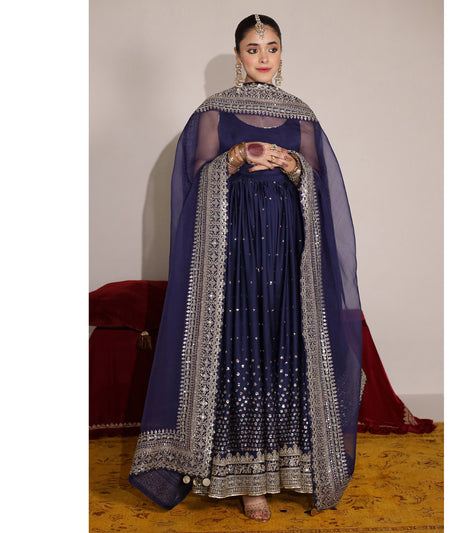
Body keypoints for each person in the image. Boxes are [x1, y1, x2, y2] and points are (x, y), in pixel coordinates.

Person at [129, 14, 364, 523]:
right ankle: (247, 480)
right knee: (243, 346)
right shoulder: (214, 112)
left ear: (282, 54)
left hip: (288, 252)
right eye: (253, 48)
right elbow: (194, 181)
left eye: (271, 47)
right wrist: (235, 157)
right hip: (234, 253)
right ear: (238, 55)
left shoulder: (301, 115)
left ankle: (292, 467)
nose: (263, 57)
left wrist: (294, 166)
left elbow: (322, 184)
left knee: (287, 345)